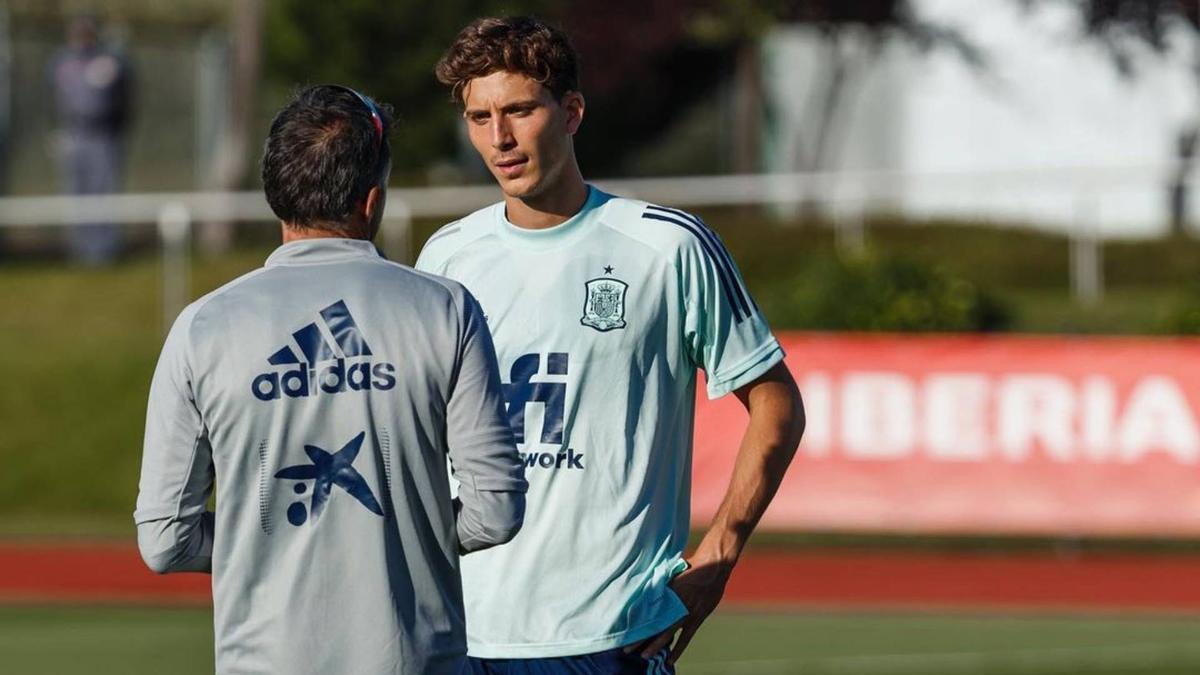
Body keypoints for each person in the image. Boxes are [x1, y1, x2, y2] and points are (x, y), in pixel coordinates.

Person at [417, 16, 805, 673]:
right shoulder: (448, 256)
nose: (499, 138)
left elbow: (776, 405)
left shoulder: (667, 246)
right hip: (465, 632)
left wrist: (719, 553)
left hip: (611, 635)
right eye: (480, 117)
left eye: (518, 110)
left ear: (570, 112)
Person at [135, 85, 527, 674]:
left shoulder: (203, 328)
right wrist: (394, 534)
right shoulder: (445, 309)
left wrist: (265, 536)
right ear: (372, 202)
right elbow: (494, 511)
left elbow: (165, 541)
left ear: (276, 195)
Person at [48, 15, 133, 264]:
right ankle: (80, 250)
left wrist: (117, 127)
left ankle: (103, 251)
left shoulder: (110, 61)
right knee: (76, 192)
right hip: (74, 134)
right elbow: (52, 99)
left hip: (103, 135)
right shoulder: (61, 63)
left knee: (102, 192)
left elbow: (126, 96)